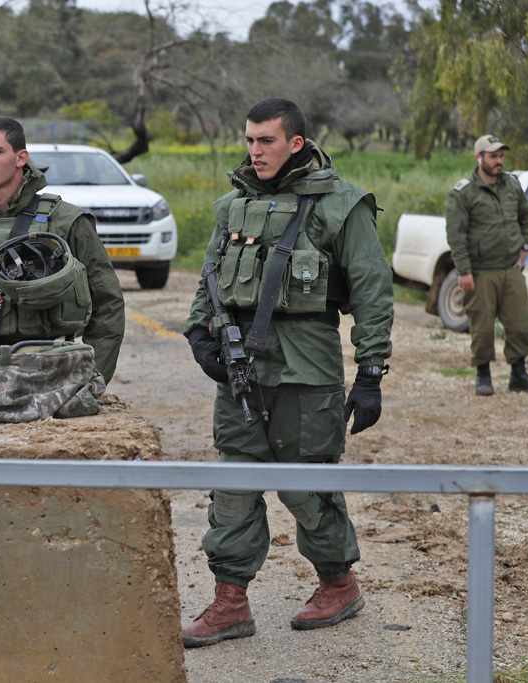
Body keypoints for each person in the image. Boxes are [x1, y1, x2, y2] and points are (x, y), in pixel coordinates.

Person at [182, 98, 393, 647]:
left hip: (307, 366)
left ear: (295, 142)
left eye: (266, 141)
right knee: (232, 481)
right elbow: (208, 275)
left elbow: (372, 290)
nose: (255, 151)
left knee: (306, 486)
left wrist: (370, 371)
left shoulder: (341, 204)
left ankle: (339, 584)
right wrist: (200, 335)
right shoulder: (233, 205)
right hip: (240, 369)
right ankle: (230, 602)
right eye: (249, 140)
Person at [0, 116, 125, 410]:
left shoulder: (66, 222)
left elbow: (108, 305)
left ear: (20, 157)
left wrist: (89, 382)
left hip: (53, 383)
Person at [444, 134, 528, 396]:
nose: (499, 161)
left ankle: (518, 373)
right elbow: (456, 235)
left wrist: (526, 246)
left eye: (501, 156)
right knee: (482, 327)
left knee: (520, 325)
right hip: (480, 271)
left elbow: (527, 215)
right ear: (479, 158)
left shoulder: (511, 184)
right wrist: (463, 271)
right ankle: (483, 375)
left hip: (511, 268)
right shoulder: (463, 192)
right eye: (493, 156)